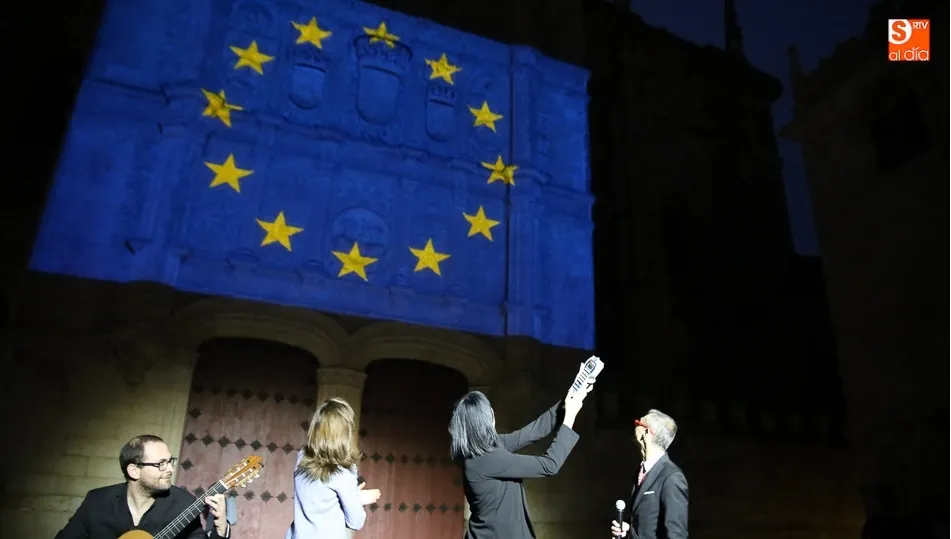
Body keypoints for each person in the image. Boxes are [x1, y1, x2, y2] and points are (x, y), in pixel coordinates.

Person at [451, 374, 594, 539]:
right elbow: (549, 465)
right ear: (486, 417)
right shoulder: (486, 459)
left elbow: (532, 432)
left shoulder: (485, 449)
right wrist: (570, 418)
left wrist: (571, 397)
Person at [54, 434, 230, 538]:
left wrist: (221, 528)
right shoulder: (97, 501)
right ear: (134, 471)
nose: (170, 469)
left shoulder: (184, 504)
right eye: (160, 464)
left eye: (170, 461)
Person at [286, 397, 382, 539]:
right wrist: (357, 499)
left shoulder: (301, 458)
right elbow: (356, 522)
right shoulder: (343, 474)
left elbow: (319, 501)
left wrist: (352, 496)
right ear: (345, 434)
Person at [611, 409, 688, 539]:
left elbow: (677, 535)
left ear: (646, 432)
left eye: (638, 423)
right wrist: (629, 532)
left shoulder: (672, 477)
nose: (634, 426)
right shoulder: (641, 472)